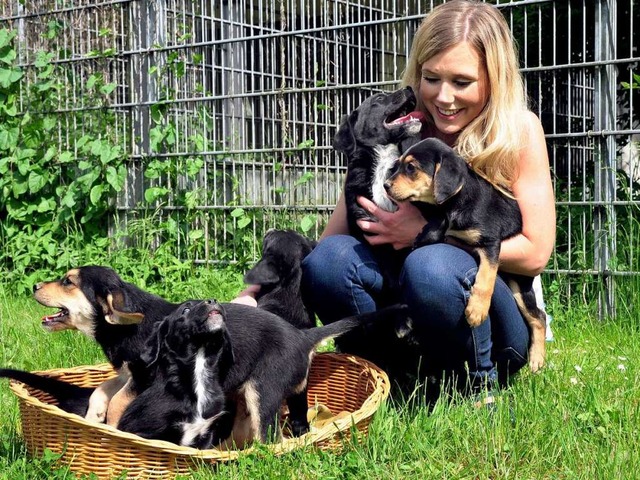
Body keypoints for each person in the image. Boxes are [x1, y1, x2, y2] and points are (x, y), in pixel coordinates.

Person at [299, 0, 556, 402]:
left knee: (431, 265)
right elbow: (332, 241)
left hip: (492, 312)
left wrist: (428, 234)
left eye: (462, 81)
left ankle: (474, 385)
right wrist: (259, 294)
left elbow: (536, 253)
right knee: (329, 262)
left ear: (494, 78)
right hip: (413, 303)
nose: (444, 96)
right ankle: (389, 376)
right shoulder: (404, 130)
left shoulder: (518, 131)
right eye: (431, 77)